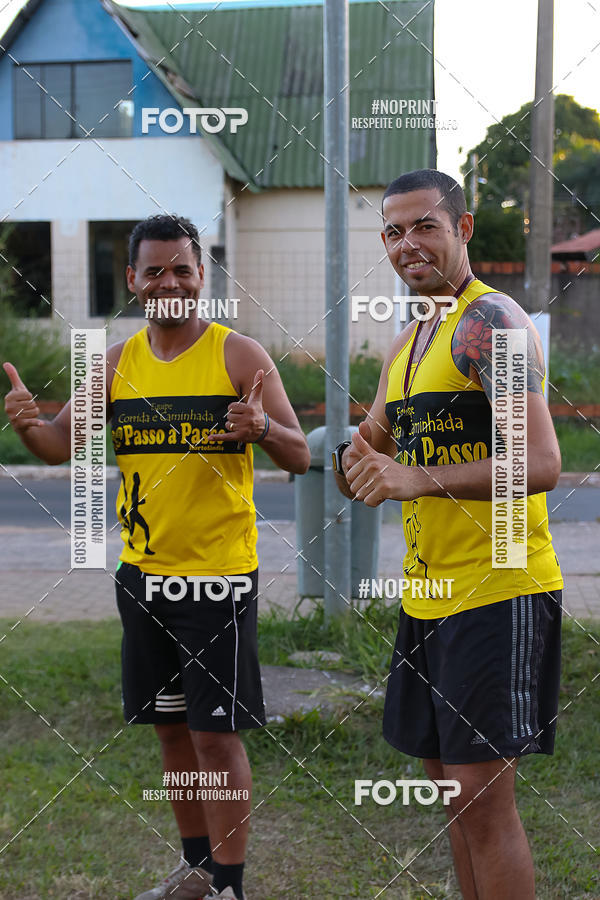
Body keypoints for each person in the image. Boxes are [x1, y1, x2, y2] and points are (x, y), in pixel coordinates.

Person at [3, 214, 310, 900]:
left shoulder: (240, 357)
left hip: (217, 582)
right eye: (154, 271)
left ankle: (230, 886)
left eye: (181, 268)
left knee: (215, 740)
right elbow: (59, 445)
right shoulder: (115, 364)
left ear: (202, 276)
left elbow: (301, 453)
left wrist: (260, 427)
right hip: (142, 580)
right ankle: (197, 870)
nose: (168, 282)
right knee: (171, 734)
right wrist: (26, 422)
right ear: (133, 282)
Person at [333, 170, 563, 899]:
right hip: (429, 597)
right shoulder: (408, 344)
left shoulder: (492, 322)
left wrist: (413, 479)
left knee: (481, 801)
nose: (410, 245)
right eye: (396, 232)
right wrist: (353, 460)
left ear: (462, 229)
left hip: (499, 585)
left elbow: (542, 461)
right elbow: (367, 454)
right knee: (450, 798)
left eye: (425, 226)